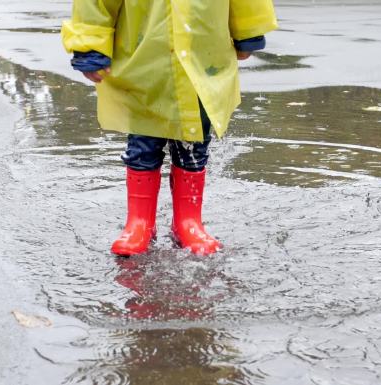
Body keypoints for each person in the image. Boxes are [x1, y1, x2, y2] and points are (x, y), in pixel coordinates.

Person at [62, 0, 278, 256]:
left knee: (194, 142)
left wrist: (247, 30)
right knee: (143, 143)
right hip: (146, 59)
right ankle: (139, 223)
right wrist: (90, 47)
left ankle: (188, 222)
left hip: (203, 56)